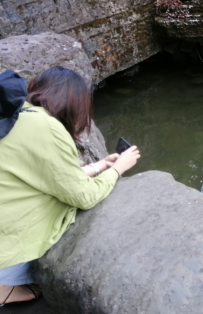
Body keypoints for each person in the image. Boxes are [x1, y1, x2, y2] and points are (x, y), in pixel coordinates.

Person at [0, 67, 141, 306]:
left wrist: (99, 166)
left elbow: (47, 177)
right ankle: (5, 288)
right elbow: (83, 196)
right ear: (75, 104)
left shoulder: (16, 115)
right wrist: (118, 170)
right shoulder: (48, 128)